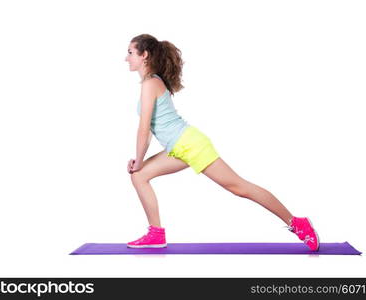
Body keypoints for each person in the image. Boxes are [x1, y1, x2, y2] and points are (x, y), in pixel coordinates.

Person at [124, 34, 319, 251]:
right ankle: (156, 234)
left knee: (239, 187)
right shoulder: (150, 83)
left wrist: (139, 160)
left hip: (190, 144)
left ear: (144, 55)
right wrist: (139, 163)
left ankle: (297, 223)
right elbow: (149, 129)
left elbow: (143, 130)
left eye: (131, 52)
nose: (126, 58)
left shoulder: (151, 83)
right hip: (178, 147)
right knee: (139, 176)